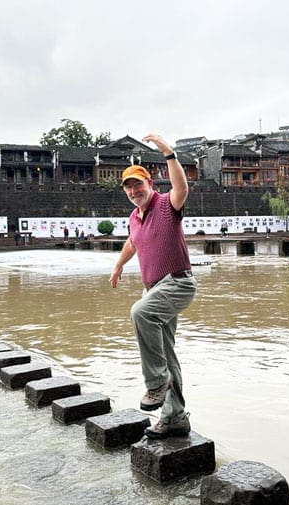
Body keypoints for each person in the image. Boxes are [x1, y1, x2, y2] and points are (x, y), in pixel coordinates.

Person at [109, 133, 197, 439]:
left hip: (178, 283)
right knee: (167, 354)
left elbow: (182, 188)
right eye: (129, 187)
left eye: (138, 185)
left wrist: (169, 154)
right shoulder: (134, 217)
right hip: (155, 289)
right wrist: (119, 265)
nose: (134, 191)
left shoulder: (165, 205)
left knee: (140, 312)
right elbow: (133, 243)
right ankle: (175, 418)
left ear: (150, 184)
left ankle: (156, 383)